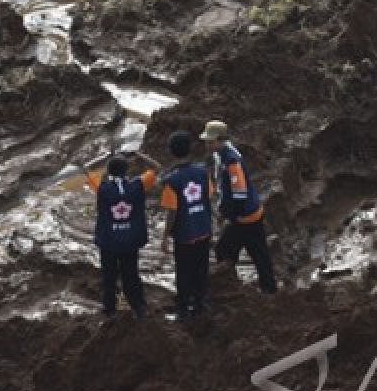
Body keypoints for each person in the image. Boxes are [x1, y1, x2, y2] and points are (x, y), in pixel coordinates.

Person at [201, 120, 277, 293]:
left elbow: (240, 193)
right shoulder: (220, 155)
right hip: (243, 215)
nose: (207, 145)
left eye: (211, 141)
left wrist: (231, 216)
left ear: (221, 140)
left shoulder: (232, 161)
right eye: (207, 141)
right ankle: (250, 286)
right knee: (248, 252)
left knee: (236, 251)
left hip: (246, 216)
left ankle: (262, 289)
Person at [83, 150, 160, 319]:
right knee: (131, 274)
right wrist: (140, 155)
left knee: (109, 276)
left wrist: (103, 156)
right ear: (127, 171)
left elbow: (87, 168)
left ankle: (109, 309)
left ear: (109, 172)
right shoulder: (137, 185)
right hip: (130, 241)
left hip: (109, 241)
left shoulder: (103, 188)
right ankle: (138, 306)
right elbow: (157, 167)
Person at [159, 130, 214, 319]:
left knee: (184, 271)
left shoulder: (172, 181)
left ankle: (183, 309)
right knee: (201, 268)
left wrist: (165, 236)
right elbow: (209, 197)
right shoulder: (203, 172)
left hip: (185, 234)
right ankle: (199, 304)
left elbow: (172, 211)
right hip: (203, 229)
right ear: (190, 149)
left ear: (171, 152)